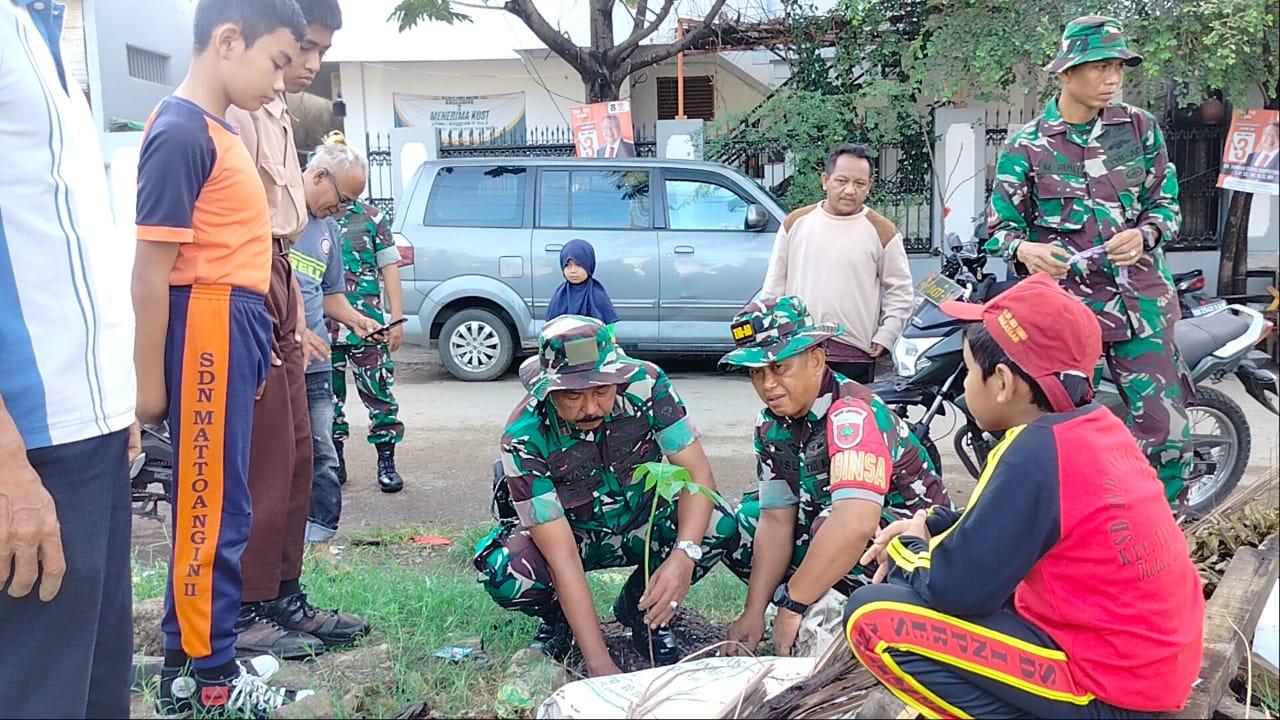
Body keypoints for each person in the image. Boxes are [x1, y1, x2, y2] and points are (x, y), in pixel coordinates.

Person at [845, 273, 1205, 717]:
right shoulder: (1094, 427)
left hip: (1112, 694)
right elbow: (1020, 524)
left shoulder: (1033, 452)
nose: (964, 387)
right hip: (1153, 670)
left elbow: (953, 591)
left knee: (871, 617)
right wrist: (933, 524)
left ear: (1002, 382)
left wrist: (907, 547)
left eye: (968, 372)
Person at [131, 0, 312, 715]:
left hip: (231, 317)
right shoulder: (181, 131)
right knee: (214, 504)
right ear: (229, 40)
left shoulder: (215, 128)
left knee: (219, 500)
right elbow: (150, 272)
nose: (281, 81)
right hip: (206, 318)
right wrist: (149, 389)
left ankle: (190, 665)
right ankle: (212, 680)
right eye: (276, 62)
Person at [986, 15, 1193, 504]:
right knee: (1059, 440)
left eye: (1118, 67)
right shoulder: (1027, 145)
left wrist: (1145, 234)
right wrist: (1026, 250)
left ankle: (1166, 531)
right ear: (1066, 72)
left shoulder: (1139, 129)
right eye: (1100, 67)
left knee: (1167, 435)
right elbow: (999, 230)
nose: (1113, 78)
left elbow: (1166, 206)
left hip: (1142, 310)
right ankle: (1068, 534)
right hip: (1069, 319)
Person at [0, 1, 138, 715]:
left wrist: (119, 397)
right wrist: (5, 466)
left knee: (95, 689)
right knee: (37, 693)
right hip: (28, 446)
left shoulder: (45, 33)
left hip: (93, 435)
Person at [223, 0, 369, 660]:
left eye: (320, 52)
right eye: (304, 46)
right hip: (249, 274)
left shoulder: (278, 105)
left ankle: (282, 593)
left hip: (276, 271)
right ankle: (247, 606)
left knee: (297, 459)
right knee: (263, 463)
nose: (311, 63)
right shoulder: (238, 105)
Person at [473, 316, 740, 674]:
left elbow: (698, 475)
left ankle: (642, 608)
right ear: (549, 389)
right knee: (508, 571)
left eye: (601, 391)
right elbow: (563, 556)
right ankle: (561, 619)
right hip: (576, 538)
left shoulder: (647, 385)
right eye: (573, 395)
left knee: (718, 522)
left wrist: (683, 555)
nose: (591, 408)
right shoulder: (523, 436)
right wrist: (600, 664)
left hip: (644, 523)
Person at [717, 296, 952, 657]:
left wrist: (792, 604)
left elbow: (855, 524)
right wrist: (754, 612)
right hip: (843, 540)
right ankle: (817, 607)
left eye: (779, 367)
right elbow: (776, 520)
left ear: (815, 360)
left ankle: (862, 627)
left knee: (831, 523)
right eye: (756, 373)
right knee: (747, 520)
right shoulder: (770, 424)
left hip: (916, 554)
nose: (767, 384)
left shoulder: (852, 413)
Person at [292, 141, 385, 548]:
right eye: (343, 199)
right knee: (280, 455)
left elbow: (330, 295)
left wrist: (358, 320)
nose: (343, 209)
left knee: (322, 452)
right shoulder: (276, 214)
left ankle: (321, 536)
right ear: (318, 176)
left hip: (316, 364)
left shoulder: (328, 229)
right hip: (277, 360)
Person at [761, 144, 915, 383]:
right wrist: (771, 337)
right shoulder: (796, 223)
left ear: (869, 186)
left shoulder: (883, 231)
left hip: (854, 353)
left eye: (859, 183)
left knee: (852, 409)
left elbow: (901, 292)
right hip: (797, 347)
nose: (850, 190)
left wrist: (887, 334)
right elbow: (774, 286)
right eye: (841, 181)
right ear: (825, 180)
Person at [330, 175, 408, 493]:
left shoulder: (372, 218)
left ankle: (386, 462)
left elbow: (389, 268)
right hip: (324, 327)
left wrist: (397, 319)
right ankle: (334, 461)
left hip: (369, 328)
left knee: (380, 394)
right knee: (326, 400)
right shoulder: (310, 217)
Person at [545, 239, 619, 338]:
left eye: (578, 265)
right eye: (568, 265)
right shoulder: (560, 294)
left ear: (589, 265)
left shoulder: (597, 294)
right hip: (563, 344)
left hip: (593, 344)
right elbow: (550, 325)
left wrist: (612, 340)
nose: (573, 271)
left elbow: (609, 324)